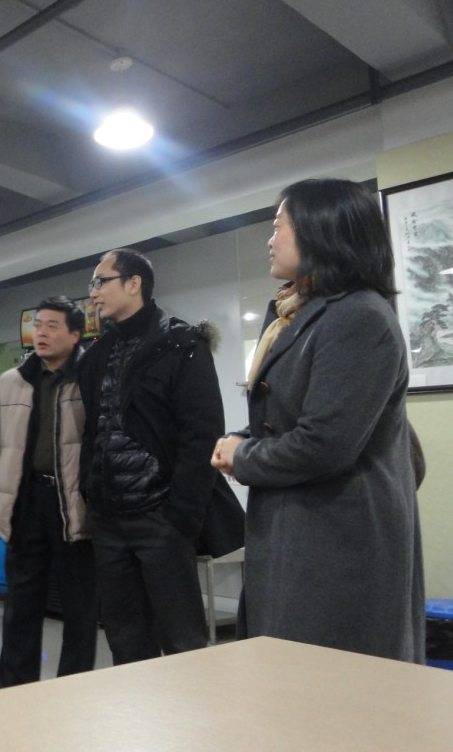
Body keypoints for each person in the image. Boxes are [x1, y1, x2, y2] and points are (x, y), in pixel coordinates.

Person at [211, 178, 424, 662]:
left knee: (332, 682)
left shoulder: (358, 317)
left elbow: (325, 444)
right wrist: (241, 438)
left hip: (339, 537)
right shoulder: (302, 314)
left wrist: (244, 456)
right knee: (293, 675)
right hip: (302, 528)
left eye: (278, 226)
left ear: (320, 229)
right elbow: (291, 417)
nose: (270, 240)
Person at [77, 248, 224, 664]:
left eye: (100, 281)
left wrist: (181, 515)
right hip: (108, 518)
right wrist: (90, 491)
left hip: (161, 517)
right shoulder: (98, 354)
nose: (93, 293)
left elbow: (202, 434)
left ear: (133, 283)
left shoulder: (181, 343)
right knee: (125, 642)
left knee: (182, 644)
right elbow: (94, 430)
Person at [0, 296, 97, 688]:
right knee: (21, 606)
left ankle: (72, 691)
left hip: (74, 505)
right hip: (25, 502)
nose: (41, 333)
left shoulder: (90, 378)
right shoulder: (13, 380)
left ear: (75, 335)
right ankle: (15, 692)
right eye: (37, 325)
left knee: (80, 609)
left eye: (52, 326)